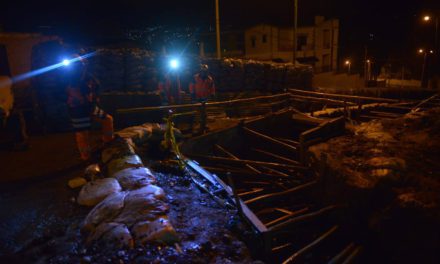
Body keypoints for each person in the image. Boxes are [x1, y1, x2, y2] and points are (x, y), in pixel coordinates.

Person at [66, 55, 113, 161]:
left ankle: (108, 143)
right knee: (83, 134)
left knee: (107, 119)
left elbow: (95, 87)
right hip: (78, 110)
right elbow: (72, 94)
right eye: (79, 64)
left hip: (89, 107)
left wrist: (95, 96)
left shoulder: (87, 76)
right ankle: (86, 157)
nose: (82, 65)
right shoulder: (69, 79)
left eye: (83, 63)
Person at [0, 76, 29, 150]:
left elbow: (8, 96)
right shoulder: (5, 80)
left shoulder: (5, 80)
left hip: (6, 109)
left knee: (15, 117)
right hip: (5, 109)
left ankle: (17, 141)